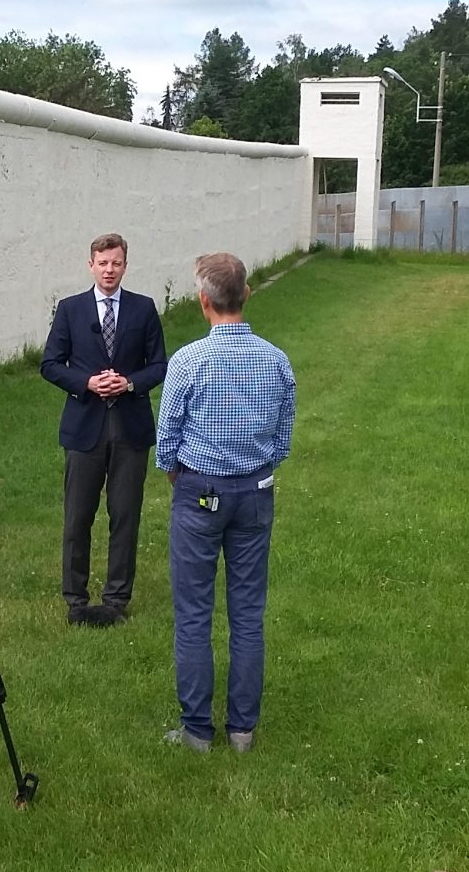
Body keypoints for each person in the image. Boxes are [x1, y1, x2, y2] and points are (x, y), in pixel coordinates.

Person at [155, 252, 296, 754]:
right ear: (247, 294)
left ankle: (196, 731)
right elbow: (282, 441)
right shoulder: (276, 359)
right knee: (247, 613)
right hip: (256, 492)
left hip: (199, 492)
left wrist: (183, 481)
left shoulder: (189, 361)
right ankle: (242, 731)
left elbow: (166, 442)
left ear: (203, 301)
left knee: (194, 613)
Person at [40, 233, 167, 626]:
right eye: (102, 262)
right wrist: (87, 383)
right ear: (90, 265)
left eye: (116, 263)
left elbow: (159, 365)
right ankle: (75, 599)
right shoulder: (71, 309)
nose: (109, 269)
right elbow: (50, 363)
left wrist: (128, 382)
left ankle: (116, 599)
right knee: (78, 516)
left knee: (125, 515)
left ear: (125, 265)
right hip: (84, 426)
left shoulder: (144, 309)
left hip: (130, 426)